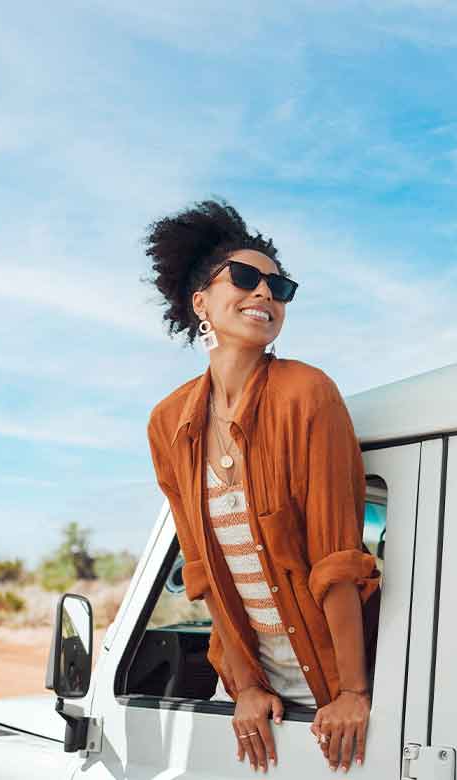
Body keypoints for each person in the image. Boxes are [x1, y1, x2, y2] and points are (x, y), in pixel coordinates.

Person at [143, 199, 379, 774]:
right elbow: (203, 570)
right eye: (246, 278)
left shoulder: (307, 393)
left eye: (280, 286)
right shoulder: (168, 422)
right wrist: (245, 686)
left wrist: (351, 692)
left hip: (335, 686)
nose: (266, 293)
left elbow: (337, 560)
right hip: (250, 691)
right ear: (201, 301)